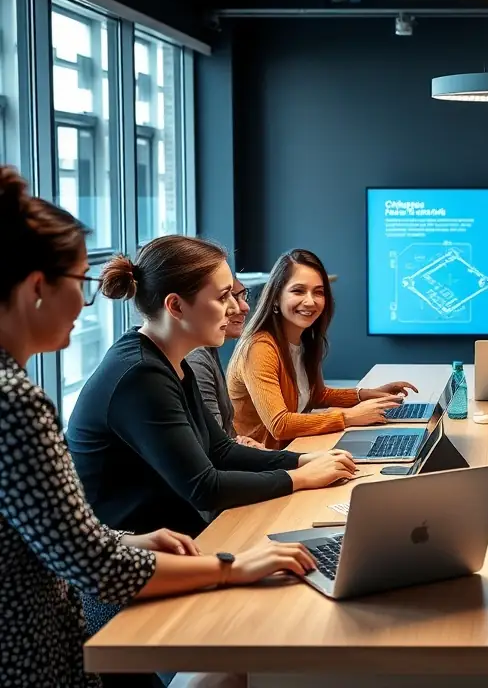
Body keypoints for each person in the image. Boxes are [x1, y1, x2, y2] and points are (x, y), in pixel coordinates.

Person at [0, 167, 318, 688]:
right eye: (79, 284)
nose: (86, 302)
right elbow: (90, 561)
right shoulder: (18, 401)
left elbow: (53, 530)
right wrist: (229, 566)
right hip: (40, 649)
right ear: (37, 286)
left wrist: (125, 539)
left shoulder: (171, 363)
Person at [65, 236, 360, 540]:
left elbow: (220, 450)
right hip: (137, 559)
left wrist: (301, 460)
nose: (235, 308)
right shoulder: (141, 375)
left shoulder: (168, 359)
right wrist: (298, 477)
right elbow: (204, 488)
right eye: (223, 298)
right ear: (176, 306)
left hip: (176, 537)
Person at [228, 249, 417, 449]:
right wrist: (349, 417)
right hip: (264, 463)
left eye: (318, 292)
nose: (310, 301)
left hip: (296, 448)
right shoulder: (259, 348)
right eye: (298, 291)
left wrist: (367, 394)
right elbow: (279, 425)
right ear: (275, 297)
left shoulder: (305, 340)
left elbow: (317, 395)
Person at [185, 275, 263, 448]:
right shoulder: (195, 359)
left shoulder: (208, 350)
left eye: (244, 296)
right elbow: (215, 450)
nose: (244, 307)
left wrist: (241, 443)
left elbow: (221, 440)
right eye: (226, 297)